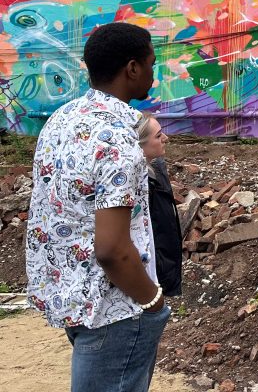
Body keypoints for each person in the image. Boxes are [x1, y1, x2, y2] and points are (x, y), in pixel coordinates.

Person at [25, 22, 169, 392]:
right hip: (115, 309)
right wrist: (152, 302)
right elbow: (112, 250)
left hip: (71, 297)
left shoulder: (61, 121)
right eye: (151, 64)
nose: (154, 73)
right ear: (132, 68)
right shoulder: (118, 140)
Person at [135, 114, 182, 297]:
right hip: (151, 278)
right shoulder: (139, 185)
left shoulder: (155, 175)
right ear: (140, 145)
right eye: (158, 135)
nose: (166, 138)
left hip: (161, 271)